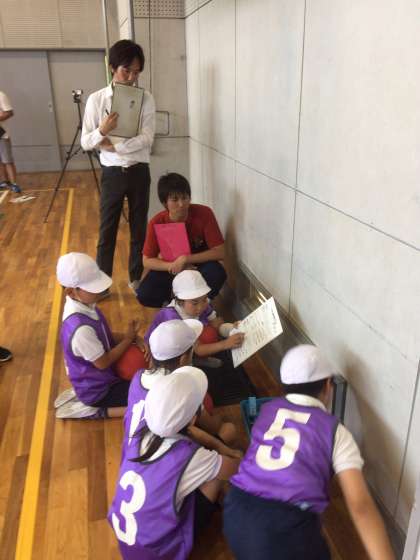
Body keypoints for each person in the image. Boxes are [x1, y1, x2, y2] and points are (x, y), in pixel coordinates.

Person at [223, 345, 395, 560]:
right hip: (284, 528)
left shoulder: (268, 410)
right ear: (328, 385)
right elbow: (360, 506)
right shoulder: (336, 432)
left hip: (236, 508)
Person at [109, 367, 241, 560]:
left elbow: (188, 433)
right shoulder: (188, 455)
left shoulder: (139, 433)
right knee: (216, 477)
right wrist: (228, 452)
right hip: (158, 554)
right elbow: (233, 468)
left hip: (127, 543)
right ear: (193, 420)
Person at [81, 39, 155, 295]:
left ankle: (136, 278)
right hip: (112, 174)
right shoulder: (97, 99)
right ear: (112, 67)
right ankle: (102, 284)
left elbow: (147, 138)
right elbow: (86, 142)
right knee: (107, 230)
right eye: (126, 70)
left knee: (139, 228)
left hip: (139, 171)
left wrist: (116, 147)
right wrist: (102, 130)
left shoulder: (146, 98)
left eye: (136, 72)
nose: (132, 77)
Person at [124, 319, 238, 461]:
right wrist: (220, 417)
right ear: (183, 359)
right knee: (229, 430)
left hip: (134, 450)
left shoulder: (138, 376)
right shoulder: (182, 389)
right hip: (169, 456)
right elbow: (212, 427)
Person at [55, 252, 145, 420]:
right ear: (71, 292)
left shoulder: (86, 304)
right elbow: (103, 362)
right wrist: (127, 339)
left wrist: (132, 337)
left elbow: (104, 336)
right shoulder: (80, 329)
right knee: (147, 400)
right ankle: (96, 411)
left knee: (145, 385)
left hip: (104, 377)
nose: (99, 290)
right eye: (92, 287)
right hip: (99, 391)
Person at [136, 173, 227, 308]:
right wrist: (173, 266)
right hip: (171, 267)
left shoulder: (204, 213)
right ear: (164, 203)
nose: (181, 204)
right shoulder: (156, 222)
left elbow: (220, 252)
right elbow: (147, 260)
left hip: (199, 265)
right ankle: (176, 305)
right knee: (145, 294)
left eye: (185, 198)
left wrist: (186, 259)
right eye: (175, 200)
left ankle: (200, 305)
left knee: (217, 273)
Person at [144, 270, 244, 367]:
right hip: (166, 354)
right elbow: (198, 349)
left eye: (204, 299)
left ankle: (195, 359)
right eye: (194, 303)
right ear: (180, 301)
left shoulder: (203, 304)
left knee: (211, 332)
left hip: (186, 344)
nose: (201, 307)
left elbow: (217, 324)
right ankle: (192, 361)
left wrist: (232, 329)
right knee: (207, 336)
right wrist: (225, 344)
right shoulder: (173, 318)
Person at [0, 90, 22, 193]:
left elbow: (9, 112)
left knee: (7, 160)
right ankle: (4, 181)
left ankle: (14, 184)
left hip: (2, 134)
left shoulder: (1, 95)